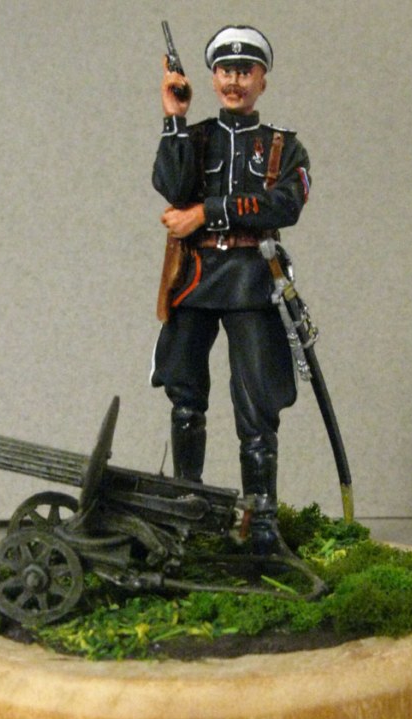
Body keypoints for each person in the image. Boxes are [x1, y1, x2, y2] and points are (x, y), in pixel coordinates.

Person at [151, 25, 311, 553]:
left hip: (250, 278)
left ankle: (261, 520)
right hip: (196, 277)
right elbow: (170, 185)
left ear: (263, 80)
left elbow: (284, 204)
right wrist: (174, 117)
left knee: (257, 403)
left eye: (245, 71)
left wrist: (206, 212)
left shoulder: (284, 146)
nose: (234, 81)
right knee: (184, 394)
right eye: (225, 71)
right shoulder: (195, 137)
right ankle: (186, 506)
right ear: (213, 77)